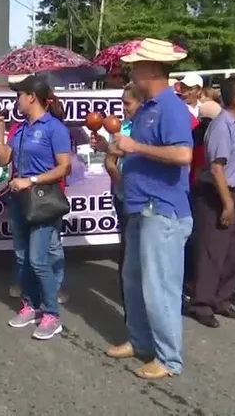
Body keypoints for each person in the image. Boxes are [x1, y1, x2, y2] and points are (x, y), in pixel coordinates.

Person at [95, 38, 194, 380]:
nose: (132, 71)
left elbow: (183, 155)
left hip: (162, 210)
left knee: (159, 287)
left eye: (136, 66)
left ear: (152, 68)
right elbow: (146, 151)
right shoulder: (149, 108)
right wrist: (122, 150)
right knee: (133, 280)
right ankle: (139, 341)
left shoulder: (171, 107)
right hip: (140, 207)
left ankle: (168, 359)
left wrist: (133, 145)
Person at [0, 76, 71, 340]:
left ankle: (52, 314)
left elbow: (64, 167)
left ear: (31, 98)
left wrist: (32, 180)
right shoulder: (21, 128)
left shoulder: (55, 128)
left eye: (19, 95)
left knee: (39, 259)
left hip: (43, 200)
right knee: (22, 258)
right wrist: (1, 130)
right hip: (21, 201)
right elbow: (3, 159)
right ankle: (30, 306)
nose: (16, 101)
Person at [187, 78, 235, 328]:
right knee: (213, 251)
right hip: (219, 194)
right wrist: (228, 204)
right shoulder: (221, 126)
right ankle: (202, 303)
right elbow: (217, 168)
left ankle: (222, 299)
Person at [104, 84, 142, 309]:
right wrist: (122, 183)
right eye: (122, 102)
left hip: (145, 198)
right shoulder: (122, 127)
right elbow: (110, 162)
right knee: (127, 250)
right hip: (125, 198)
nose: (124, 108)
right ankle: (129, 299)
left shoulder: (147, 128)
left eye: (127, 103)